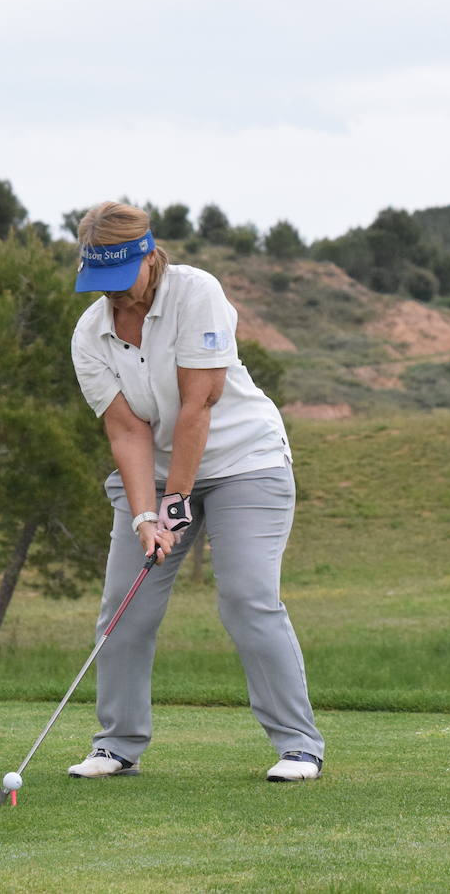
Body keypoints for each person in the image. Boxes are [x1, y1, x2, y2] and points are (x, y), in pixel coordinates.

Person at [67, 201, 324, 782]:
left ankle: (299, 745)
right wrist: (143, 518)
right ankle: (117, 744)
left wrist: (175, 505)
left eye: (119, 278)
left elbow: (197, 406)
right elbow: (127, 429)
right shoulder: (90, 335)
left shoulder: (196, 292)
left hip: (244, 462)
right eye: (98, 282)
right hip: (155, 471)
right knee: (123, 609)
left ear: (147, 256)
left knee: (246, 597)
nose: (111, 294)